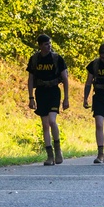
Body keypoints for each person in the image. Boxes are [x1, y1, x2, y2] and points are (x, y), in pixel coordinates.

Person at [26, 34, 70, 165]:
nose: (49, 46)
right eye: (46, 44)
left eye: (50, 43)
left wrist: (66, 98)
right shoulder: (34, 59)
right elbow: (30, 79)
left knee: (52, 120)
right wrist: (31, 97)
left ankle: (58, 150)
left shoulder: (57, 58)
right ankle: (49, 156)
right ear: (40, 46)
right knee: (45, 124)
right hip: (41, 92)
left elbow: (65, 79)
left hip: (54, 92)